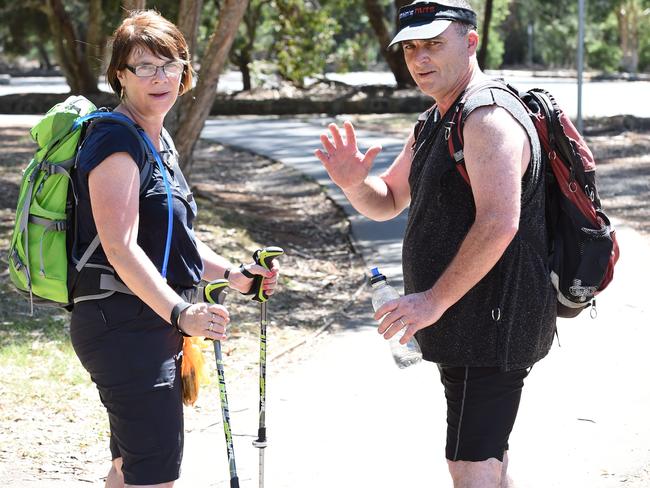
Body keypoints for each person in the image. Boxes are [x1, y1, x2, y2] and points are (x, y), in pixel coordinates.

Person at [315, 1, 556, 487]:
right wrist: (353, 184)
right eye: (411, 48)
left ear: (471, 42)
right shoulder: (436, 119)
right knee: (487, 457)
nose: (420, 58)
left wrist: (432, 301)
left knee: (470, 465)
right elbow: (386, 200)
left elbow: (499, 222)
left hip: (492, 321)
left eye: (433, 44)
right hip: (468, 324)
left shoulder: (487, 116)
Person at [69, 11, 279, 488]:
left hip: (146, 322)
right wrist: (182, 313)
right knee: (155, 474)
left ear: (186, 72)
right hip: (122, 325)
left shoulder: (157, 138)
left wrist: (234, 275)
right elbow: (121, 248)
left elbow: (174, 242)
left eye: (170, 63)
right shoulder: (115, 140)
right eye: (144, 66)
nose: (160, 77)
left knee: (131, 466)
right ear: (120, 75)